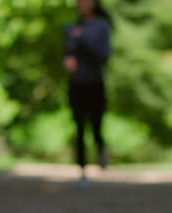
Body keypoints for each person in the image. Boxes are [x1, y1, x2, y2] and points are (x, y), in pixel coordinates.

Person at [63, 0, 112, 188]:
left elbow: (103, 56)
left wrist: (82, 42)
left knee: (96, 126)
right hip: (76, 83)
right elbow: (68, 52)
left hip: (95, 83)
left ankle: (101, 150)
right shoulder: (70, 28)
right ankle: (82, 173)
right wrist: (67, 60)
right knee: (79, 129)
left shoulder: (101, 27)